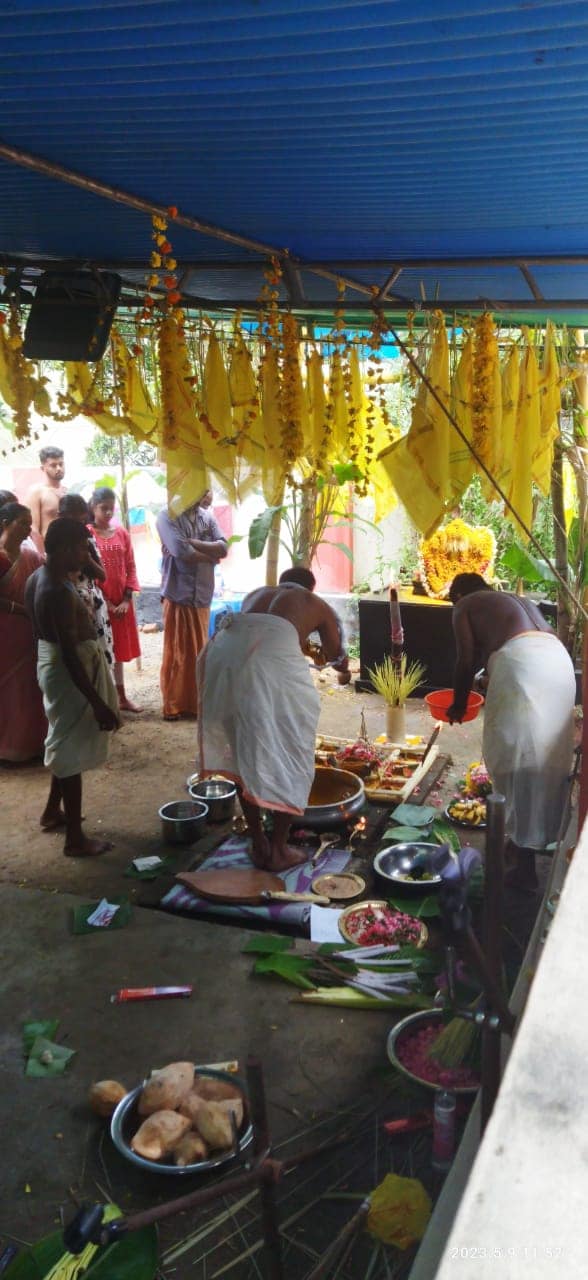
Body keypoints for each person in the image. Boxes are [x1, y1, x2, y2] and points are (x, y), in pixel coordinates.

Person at [197, 581, 351, 872]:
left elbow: (263, 635)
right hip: (264, 665)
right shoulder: (314, 603)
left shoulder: (256, 594)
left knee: (244, 750)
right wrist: (344, 666)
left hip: (223, 657)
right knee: (293, 749)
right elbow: (335, 656)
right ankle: (279, 849)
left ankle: (259, 842)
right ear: (309, 586)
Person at [447, 572, 576, 891]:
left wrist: (458, 704)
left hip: (523, 665)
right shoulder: (515, 602)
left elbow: (465, 660)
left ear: (459, 593)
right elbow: (493, 655)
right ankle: (523, 846)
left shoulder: (466, 605)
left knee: (515, 755)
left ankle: (524, 866)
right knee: (544, 755)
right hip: (560, 664)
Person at [25, 517, 120, 855]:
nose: (86, 553)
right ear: (65, 549)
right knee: (68, 750)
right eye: (81, 547)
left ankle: (53, 811)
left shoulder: (39, 577)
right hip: (68, 671)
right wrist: (97, 702)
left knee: (64, 739)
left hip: (54, 665)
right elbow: (68, 654)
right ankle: (75, 840)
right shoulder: (55, 590)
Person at [156, 489, 228, 720]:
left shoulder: (207, 517)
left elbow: (224, 547)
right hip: (178, 592)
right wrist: (211, 556)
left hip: (202, 593)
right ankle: (174, 705)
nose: (205, 495)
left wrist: (196, 544)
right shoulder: (167, 516)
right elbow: (179, 550)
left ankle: (196, 704)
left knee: (199, 651)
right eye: (201, 489)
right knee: (177, 653)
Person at [0, 502, 47, 762]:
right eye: (23, 522)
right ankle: (9, 748)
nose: (29, 528)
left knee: (30, 686)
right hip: (6, 631)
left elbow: (45, 578)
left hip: (30, 630)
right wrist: (20, 609)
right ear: (5, 523)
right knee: (8, 689)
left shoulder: (30, 556)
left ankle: (31, 745)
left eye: (30, 523)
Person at [89, 487, 142, 712]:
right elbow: (89, 574)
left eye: (112, 508)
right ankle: (105, 698)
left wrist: (126, 600)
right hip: (99, 606)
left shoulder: (121, 533)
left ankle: (121, 696)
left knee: (118, 651)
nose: (109, 513)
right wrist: (107, 603)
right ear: (93, 507)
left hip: (122, 605)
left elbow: (130, 566)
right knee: (102, 651)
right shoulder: (87, 534)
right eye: (104, 509)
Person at [58, 494, 115, 671]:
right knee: (80, 660)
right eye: (73, 520)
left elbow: (102, 575)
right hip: (69, 605)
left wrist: (86, 556)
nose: (77, 526)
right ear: (61, 516)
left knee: (101, 657)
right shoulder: (55, 541)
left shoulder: (87, 540)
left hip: (94, 604)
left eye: (81, 521)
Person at [25, 447, 66, 552]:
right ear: (43, 468)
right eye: (53, 465)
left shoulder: (67, 492)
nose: (58, 468)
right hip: (49, 552)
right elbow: (33, 529)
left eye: (61, 464)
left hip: (69, 552)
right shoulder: (37, 492)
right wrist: (42, 556)